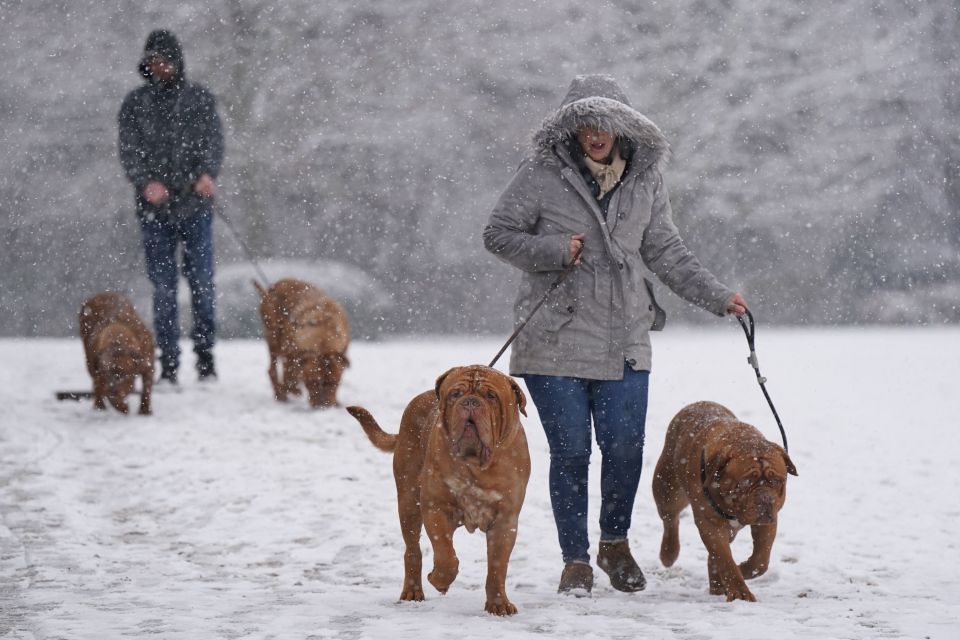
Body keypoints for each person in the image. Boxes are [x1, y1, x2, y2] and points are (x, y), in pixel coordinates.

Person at [484, 74, 747, 595]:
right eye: (584, 122)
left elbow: (666, 251)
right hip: (553, 339)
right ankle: (575, 560)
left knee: (625, 447)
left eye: (604, 122)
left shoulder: (647, 178)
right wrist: (556, 249)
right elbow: (497, 234)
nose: (595, 132)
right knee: (572, 450)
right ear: (571, 127)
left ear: (624, 126)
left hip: (625, 336)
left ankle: (614, 544)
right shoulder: (540, 173)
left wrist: (719, 295)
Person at [118, 29, 225, 384]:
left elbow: (214, 141)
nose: (159, 67)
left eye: (163, 61)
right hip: (154, 213)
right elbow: (129, 150)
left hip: (196, 208)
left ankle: (206, 358)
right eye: (153, 61)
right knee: (163, 288)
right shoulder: (135, 104)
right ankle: (168, 363)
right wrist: (146, 181)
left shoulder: (200, 100)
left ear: (177, 62)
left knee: (203, 285)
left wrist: (207, 174)